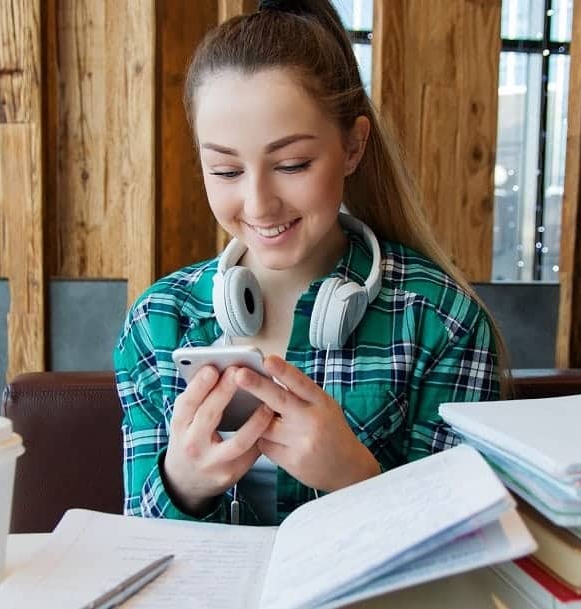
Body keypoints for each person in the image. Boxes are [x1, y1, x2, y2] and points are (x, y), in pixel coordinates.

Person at [114, 0, 506, 526]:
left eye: (292, 164)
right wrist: (182, 484)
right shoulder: (157, 321)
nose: (258, 205)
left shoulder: (440, 321)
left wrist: (356, 478)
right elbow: (137, 544)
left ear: (352, 146)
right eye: (225, 170)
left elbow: (465, 548)